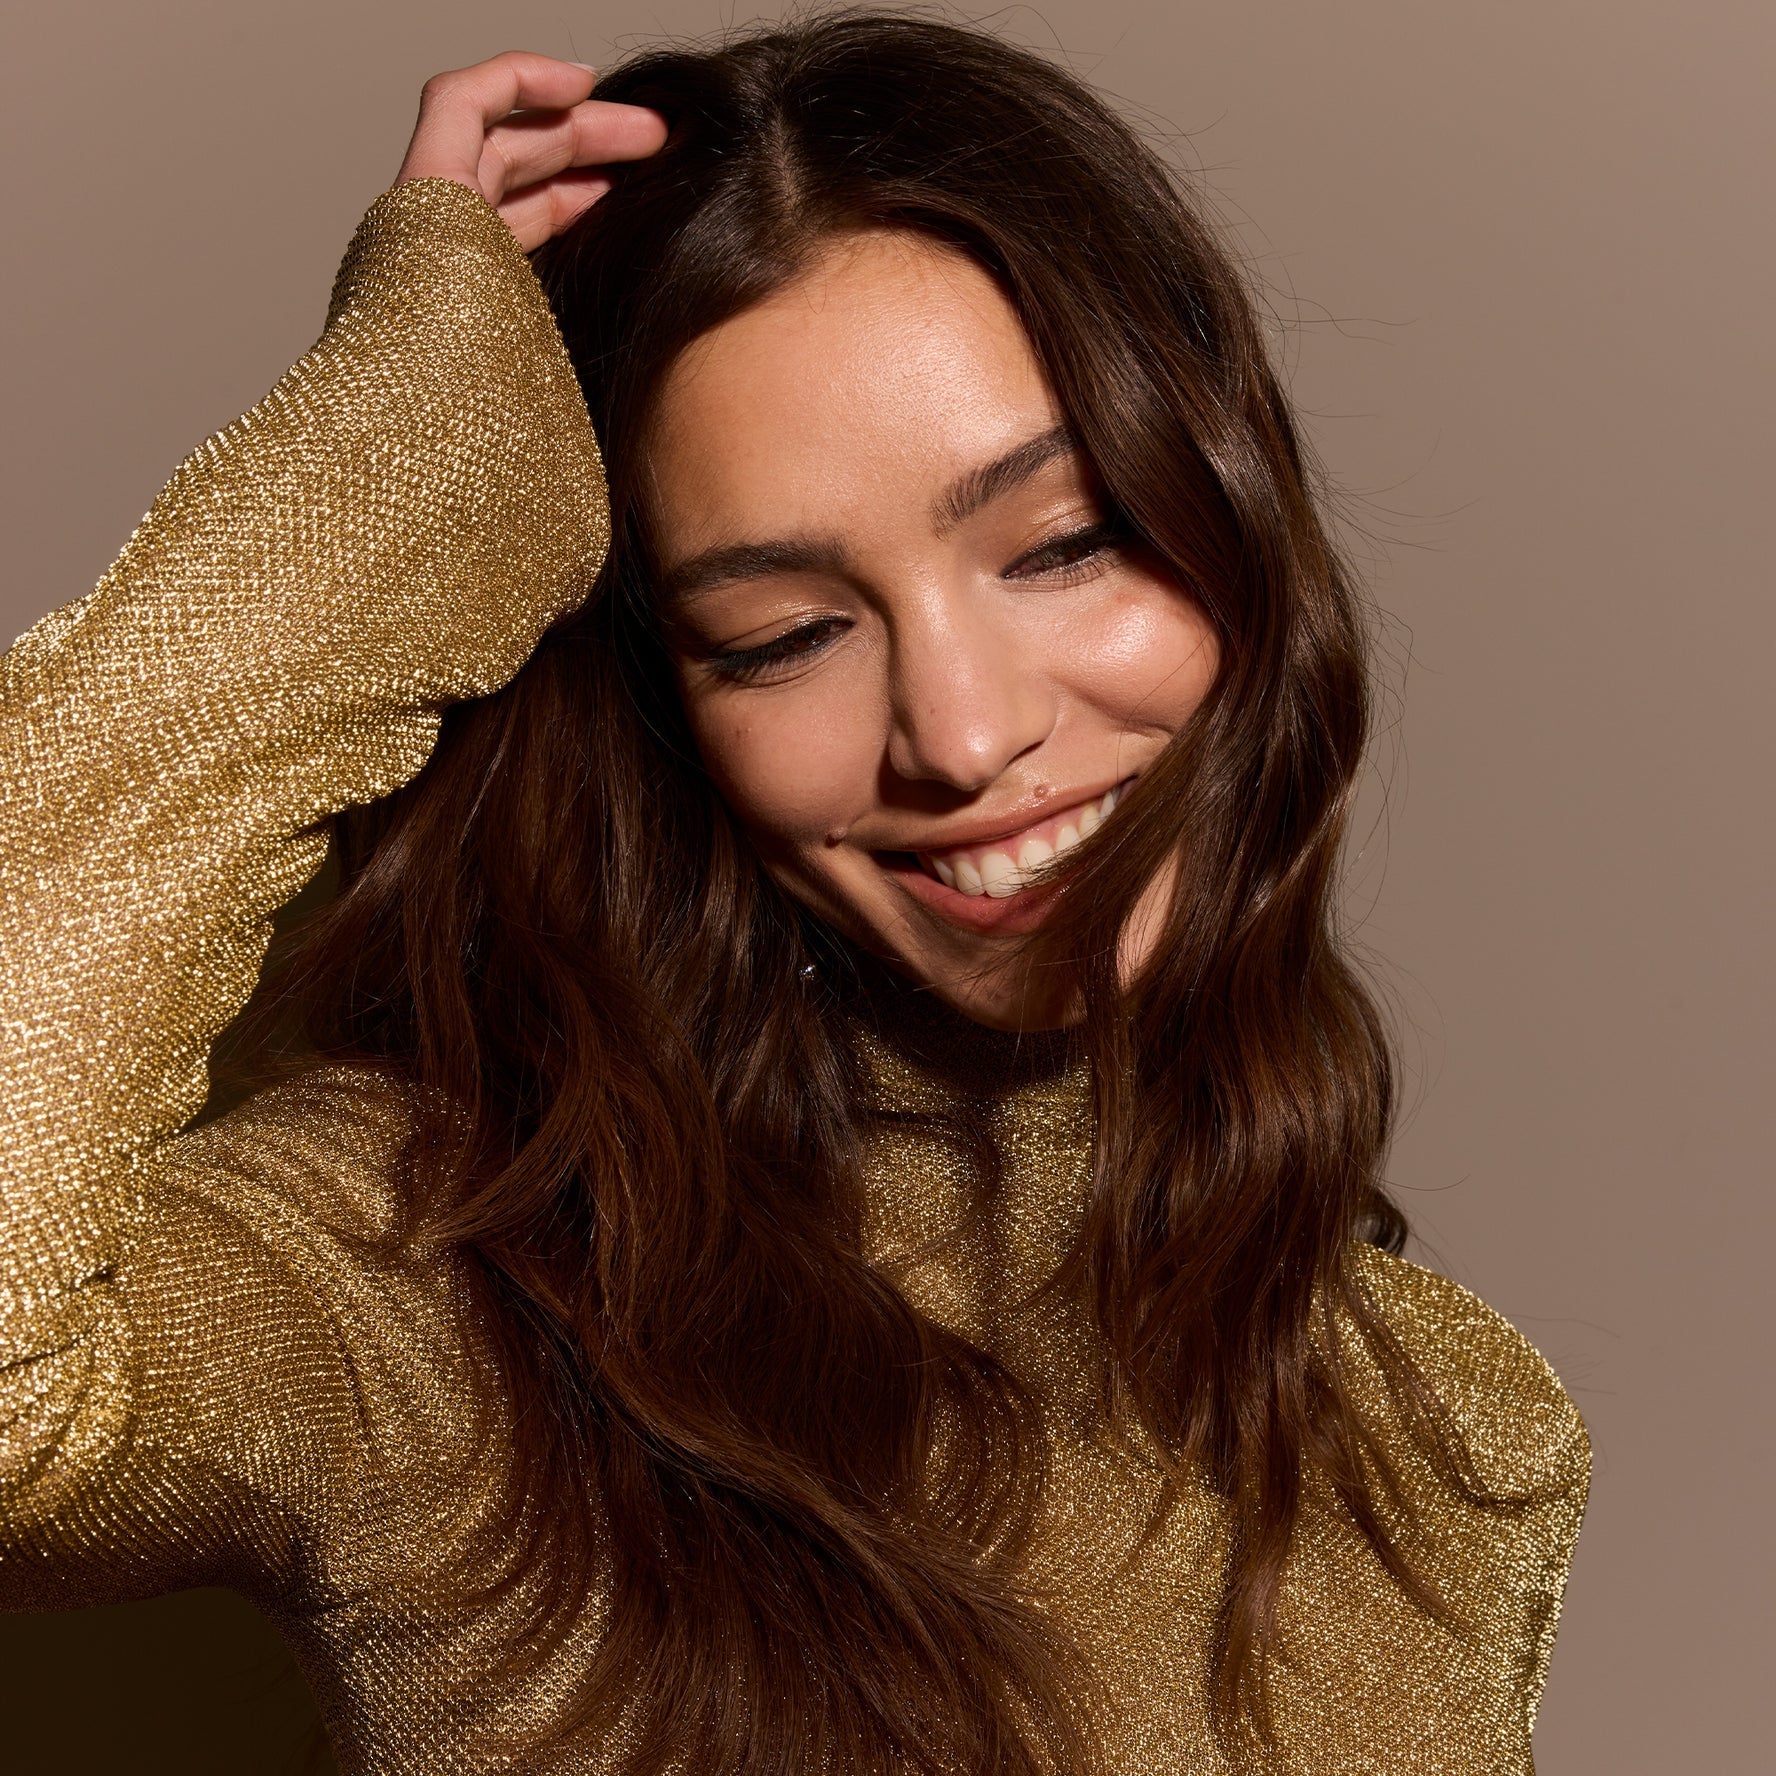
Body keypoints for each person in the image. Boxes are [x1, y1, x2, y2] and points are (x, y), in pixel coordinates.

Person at [0, 14, 1588, 1774]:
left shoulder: (1444, 1422)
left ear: (1237, 519)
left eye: (1061, 544)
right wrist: (386, 476)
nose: (965, 734)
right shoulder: (428, 1282)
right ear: (666, 705)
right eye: (786, 635)